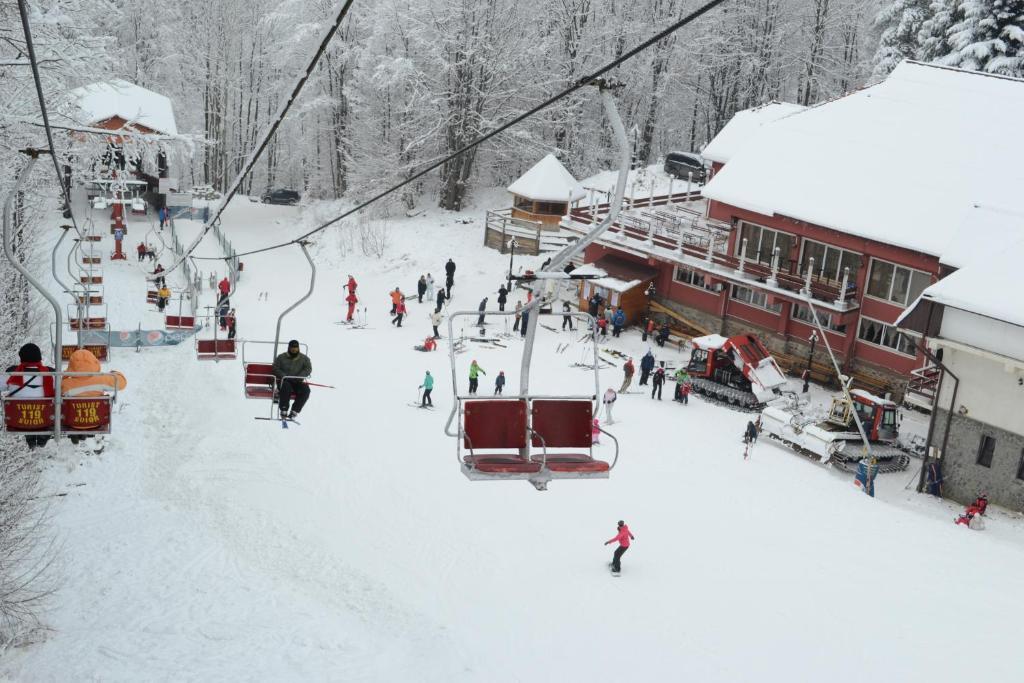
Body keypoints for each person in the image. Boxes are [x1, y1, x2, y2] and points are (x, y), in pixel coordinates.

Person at [62, 348, 127, 443]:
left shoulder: (65, 384)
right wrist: (115, 373)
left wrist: (66, 374)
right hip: (97, 421)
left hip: (73, 422)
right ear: (94, 362)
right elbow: (122, 383)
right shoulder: (101, 380)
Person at [4, 343, 56, 449]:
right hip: (45, 419)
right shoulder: (51, 374)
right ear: (39, 357)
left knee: (24, 412)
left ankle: (31, 438)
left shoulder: (11, 374)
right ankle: (42, 438)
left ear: (21, 357)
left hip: (19, 420)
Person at [272, 340, 312, 419]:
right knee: (286, 387)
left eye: (296, 348)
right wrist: (284, 376)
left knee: (306, 390)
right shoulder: (281, 357)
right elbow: (275, 368)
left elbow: (308, 369)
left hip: (297, 381)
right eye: (292, 348)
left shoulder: (304, 359)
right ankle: (284, 409)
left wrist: (299, 376)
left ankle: (295, 410)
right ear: (289, 348)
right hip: (284, 381)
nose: (294, 349)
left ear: (298, 348)